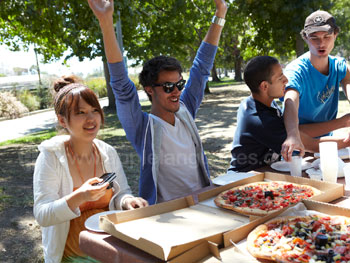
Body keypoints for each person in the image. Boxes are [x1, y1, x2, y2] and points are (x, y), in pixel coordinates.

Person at [88, 0, 227, 204]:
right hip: (166, 214)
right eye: (168, 87)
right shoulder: (142, 127)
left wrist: (220, 12)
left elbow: (202, 66)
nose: (177, 91)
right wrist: (106, 22)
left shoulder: (185, 108)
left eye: (179, 84)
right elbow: (121, 85)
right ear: (150, 90)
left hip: (203, 203)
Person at [33, 76, 148, 263]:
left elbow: (122, 192)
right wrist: (80, 196)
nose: (91, 118)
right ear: (62, 120)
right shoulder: (50, 157)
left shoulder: (107, 152)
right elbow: (42, 215)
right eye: (80, 112)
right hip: (72, 254)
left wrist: (128, 201)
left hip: (111, 246)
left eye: (95, 110)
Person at [229, 56, 350, 172]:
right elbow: (311, 144)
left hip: (264, 173)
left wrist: (343, 122)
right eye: (280, 77)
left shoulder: (263, 104)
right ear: (265, 86)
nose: (286, 80)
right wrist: (346, 141)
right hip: (243, 178)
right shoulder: (259, 119)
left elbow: (296, 132)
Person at [281, 10, 350, 162]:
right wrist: (292, 134)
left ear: (336, 35)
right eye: (314, 38)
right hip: (296, 151)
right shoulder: (296, 71)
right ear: (305, 37)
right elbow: (290, 101)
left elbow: (348, 80)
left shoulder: (339, 66)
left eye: (327, 36)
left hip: (324, 149)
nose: (321, 43)